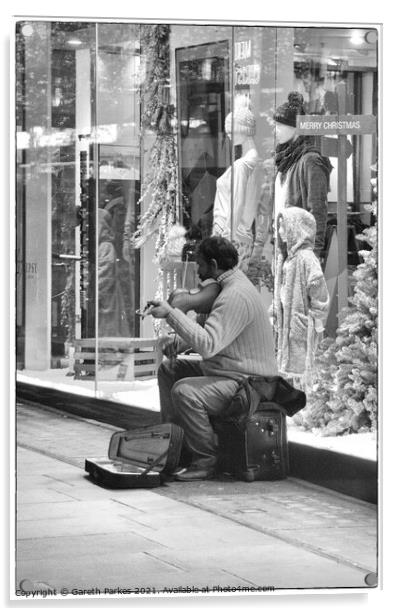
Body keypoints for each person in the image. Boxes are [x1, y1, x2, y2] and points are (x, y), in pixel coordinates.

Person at [148, 236, 278, 481]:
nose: (198, 272)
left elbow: (208, 345)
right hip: (228, 372)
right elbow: (215, 334)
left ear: (215, 264)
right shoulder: (227, 288)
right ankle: (177, 445)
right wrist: (177, 342)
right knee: (169, 371)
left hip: (247, 382)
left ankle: (205, 459)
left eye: (200, 264)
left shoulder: (235, 296)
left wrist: (171, 314)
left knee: (185, 391)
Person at [272, 207, 329, 391]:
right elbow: (279, 288)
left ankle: (305, 401)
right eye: (279, 227)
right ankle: (292, 400)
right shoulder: (284, 258)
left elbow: (318, 287)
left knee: (303, 365)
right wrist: (274, 310)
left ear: (297, 228)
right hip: (284, 320)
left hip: (300, 320)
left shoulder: (306, 258)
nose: (281, 232)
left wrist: (318, 316)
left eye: (284, 226)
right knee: (286, 365)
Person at [272, 91, 333, 257]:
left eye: (280, 125)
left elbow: (318, 209)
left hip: (301, 252)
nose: (275, 130)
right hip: (283, 247)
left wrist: (314, 253)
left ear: (295, 127)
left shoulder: (310, 161)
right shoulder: (285, 160)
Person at [212, 105, 263, 272]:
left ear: (241, 128)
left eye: (230, 130)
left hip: (230, 234)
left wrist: (225, 238)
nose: (228, 134)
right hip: (241, 234)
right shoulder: (255, 161)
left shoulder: (242, 165)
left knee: (226, 287)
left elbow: (238, 202)